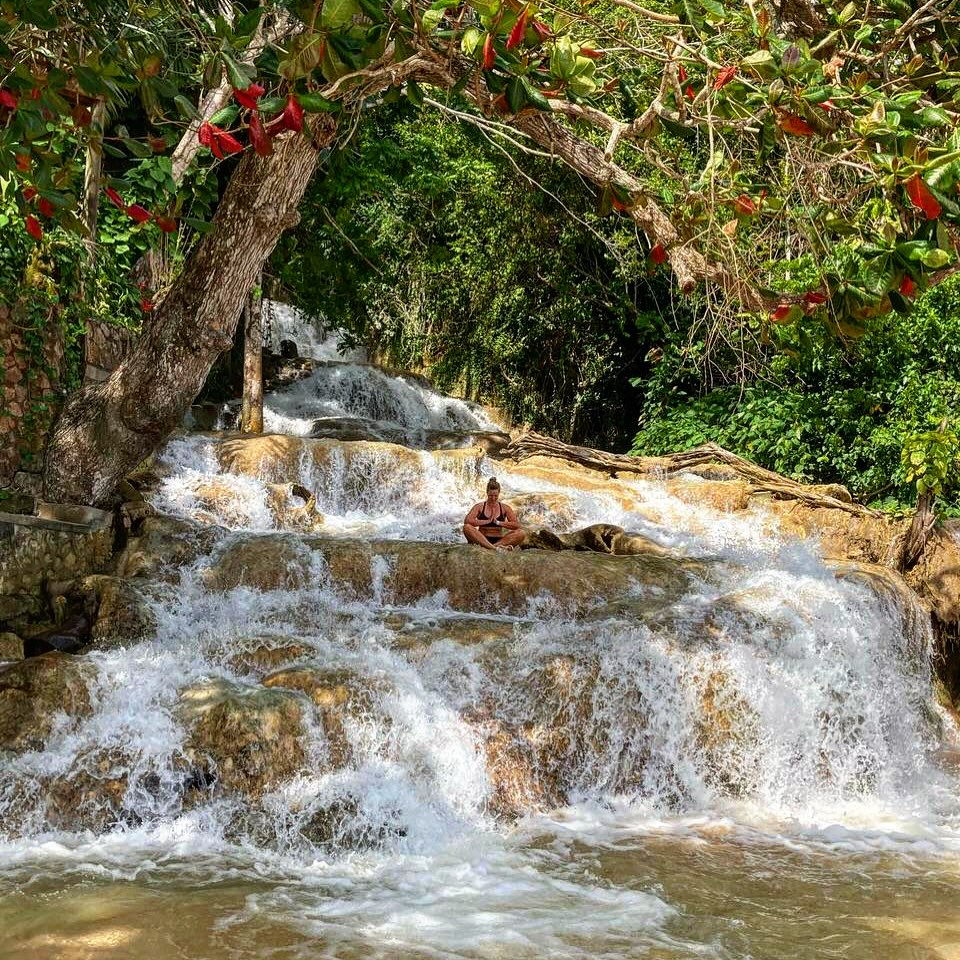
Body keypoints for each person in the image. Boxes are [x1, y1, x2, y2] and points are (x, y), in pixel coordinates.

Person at [463, 477, 526, 551]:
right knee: (466, 527)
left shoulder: (505, 508)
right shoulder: (479, 506)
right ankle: (495, 548)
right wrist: (487, 521)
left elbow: (516, 525)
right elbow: (467, 521)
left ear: (499, 493)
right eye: (490, 496)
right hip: (481, 539)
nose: (493, 498)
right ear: (487, 493)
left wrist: (498, 522)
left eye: (495, 496)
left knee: (521, 533)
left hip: (499, 541)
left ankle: (493, 547)